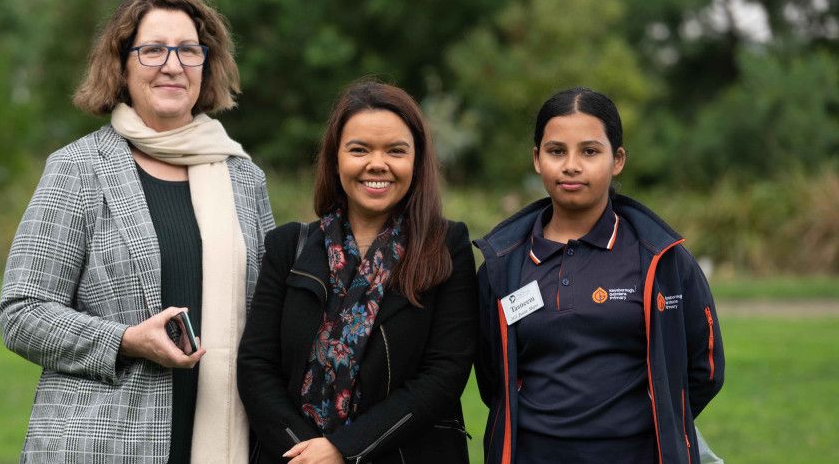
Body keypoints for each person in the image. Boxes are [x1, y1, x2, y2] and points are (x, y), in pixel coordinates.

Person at [0, 0, 273, 463]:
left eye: (189, 50)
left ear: (207, 66)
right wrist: (125, 341)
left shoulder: (245, 179)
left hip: (227, 439)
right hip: (101, 443)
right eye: (153, 50)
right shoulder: (79, 169)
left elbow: (267, 316)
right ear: (122, 66)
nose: (172, 65)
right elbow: (22, 313)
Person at [473, 87, 725, 464]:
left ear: (617, 159)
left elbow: (704, 370)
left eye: (590, 151)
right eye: (556, 151)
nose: (572, 165)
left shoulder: (662, 258)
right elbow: (493, 375)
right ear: (537, 159)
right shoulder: (503, 264)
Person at [237, 81, 478, 464]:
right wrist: (305, 453)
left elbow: (445, 374)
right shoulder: (289, 246)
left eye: (396, 151)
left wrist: (343, 450)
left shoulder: (447, 246)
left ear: (416, 161)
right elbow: (256, 366)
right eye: (359, 150)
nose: (376, 164)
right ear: (336, 158)